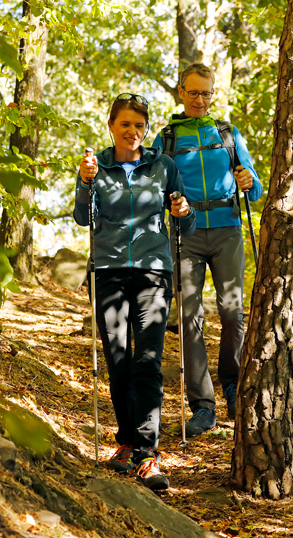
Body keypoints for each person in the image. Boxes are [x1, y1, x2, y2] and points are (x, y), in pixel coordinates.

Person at [74, 93, 195, 492]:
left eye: (140, 126)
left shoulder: (163, 166)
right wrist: (84, 181)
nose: (133, 132)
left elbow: (185, 222)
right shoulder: (99, 166)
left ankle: (147, 453)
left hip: (154, 271)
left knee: (147, 359)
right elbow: (81, 217)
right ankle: (126, 441)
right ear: (111, 126)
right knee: (118, 358)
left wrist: (183, 212)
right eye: (125, 124)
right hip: (108, 271)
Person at [151, 62, 262, 437]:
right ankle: (203, 406)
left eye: (206, 93)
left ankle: (231, 385)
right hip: (186, 233)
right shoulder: (165, 139)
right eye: (193, 92)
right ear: (181, 93)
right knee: (189, 317)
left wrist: (249, 180)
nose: (200, 99)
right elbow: (152, 192)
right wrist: (169, 203)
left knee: (233, 313)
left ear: (213, 94)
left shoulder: (227, 133)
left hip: (228, 230)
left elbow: (256, 188)